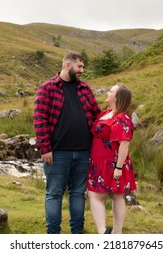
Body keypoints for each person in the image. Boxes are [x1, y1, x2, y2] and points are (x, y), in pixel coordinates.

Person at [33, 52, 101, 234]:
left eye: (83, 67)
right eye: (80, 66)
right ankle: (54, 236)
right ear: (68, 66)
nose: (82, 70)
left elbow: (97, 116)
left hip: (84, 152)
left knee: (78, 194)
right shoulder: (47, 88)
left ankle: (76, 234)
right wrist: (45, 148)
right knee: (54, 194)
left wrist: (117, 116)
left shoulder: (85, 89)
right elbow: (40, 120)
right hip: (57, 153)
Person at [87, 83, 136, 234]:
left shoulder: (122, 118)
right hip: (98, 163)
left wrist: (119, 168)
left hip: (113, 164)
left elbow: (123, 145)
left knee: (107, 195)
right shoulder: (105, 113)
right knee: (107, 196)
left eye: (111, 91)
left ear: (117, 97)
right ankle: (107, 232)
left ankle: (113, 232)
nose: (108, 93)